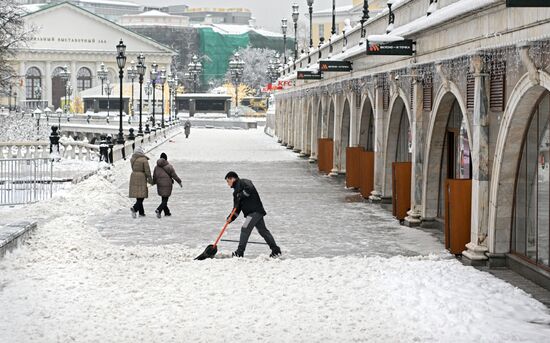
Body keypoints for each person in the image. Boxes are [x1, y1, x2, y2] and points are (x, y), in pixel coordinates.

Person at [225, 171, 281, 258]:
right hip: (252, 214)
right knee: (263, 231)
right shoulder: (235, 193)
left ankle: (239, 252)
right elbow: (236, 209)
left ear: (232, 178)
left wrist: (242, 194)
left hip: (255, 211)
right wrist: (230, 218)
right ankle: (276, 250)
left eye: (228, 181)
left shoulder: (244, 182)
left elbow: (249, 188)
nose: (228, 184)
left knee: (245, 228)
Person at [152, 152, 182, 218]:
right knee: (165, 200)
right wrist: (179, 182)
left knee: (163, 199)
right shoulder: (169, 166)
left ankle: (167, 212)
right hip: (167, 184)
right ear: (166, 159)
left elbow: (154, 176)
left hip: (160, 184)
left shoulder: (156, 167)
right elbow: (174, 175)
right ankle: (159, 209)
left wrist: (153, 182)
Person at [129, 146, 152, 218]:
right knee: (141, 195)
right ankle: (135, 208)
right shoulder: (144, 160)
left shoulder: (132, 159)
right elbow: (147, 171)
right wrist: (150, 179)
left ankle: (141, 213)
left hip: (133, 176)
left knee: (138, 195)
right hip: (141, 177)